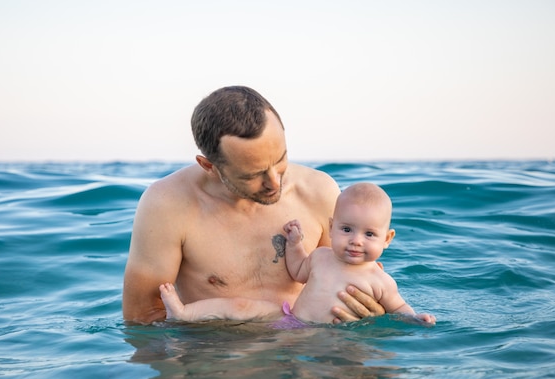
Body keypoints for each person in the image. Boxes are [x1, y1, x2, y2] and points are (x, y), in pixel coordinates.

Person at [122, 86, 385, 324]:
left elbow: (348, 278)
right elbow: (142, 318)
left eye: (280, 160)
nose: (274, 183)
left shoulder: (319, 192)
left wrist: (370, 312)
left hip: (306, 348)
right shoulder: (167, 205)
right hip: (219, 357)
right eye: (252, 174)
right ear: (209, 166)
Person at [159, 182, 436, 326]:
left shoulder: (380, 281)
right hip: (290, 319)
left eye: (369, 235)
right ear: (331, 227)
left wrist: (414, 317)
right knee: (239, 306)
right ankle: (184, 313)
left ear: (387, 239)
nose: (356, 241)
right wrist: (295, 244)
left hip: (330, 335)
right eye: (347, 229)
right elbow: (298, 271)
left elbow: (397, 307)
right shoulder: (322, 256)